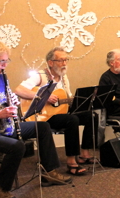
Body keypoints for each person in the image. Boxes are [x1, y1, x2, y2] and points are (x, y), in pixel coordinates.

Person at [0, 41, 71, 198]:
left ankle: (49, 172)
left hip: (5, 127)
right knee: (17, 146)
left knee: (43, 127)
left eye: (6, 61)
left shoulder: (2, 77)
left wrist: (13, 103)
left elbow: (6, 100)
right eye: (2, 61)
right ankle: (0, 187)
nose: (5, 65)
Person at [15, 46, 98, 176]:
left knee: (90, 115)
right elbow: (19, 90)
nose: (64, 64)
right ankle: (71, 162)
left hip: (59, 113)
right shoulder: (40, 76)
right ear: (50, 62)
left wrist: (83, 99)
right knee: (72, 120)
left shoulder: (64, 79)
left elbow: (67, 100)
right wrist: (43, 97)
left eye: (66, 60)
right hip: (43, 116)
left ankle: (84, 154)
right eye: (61, 60)